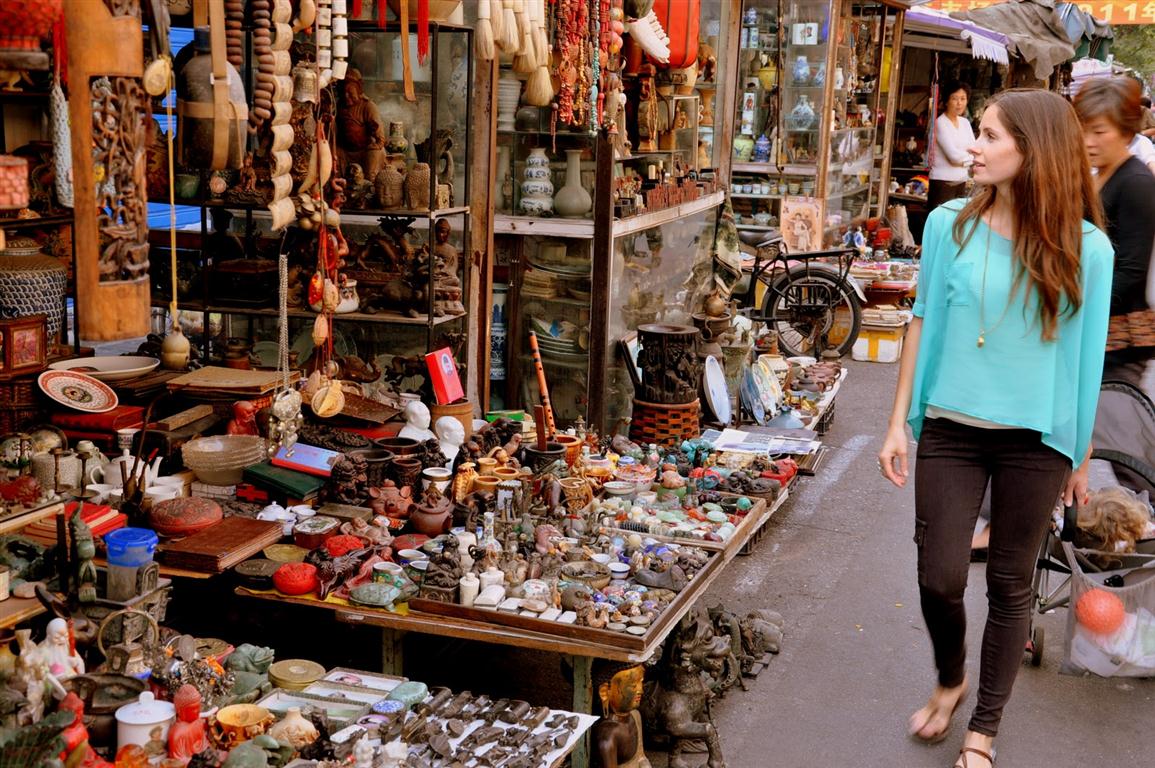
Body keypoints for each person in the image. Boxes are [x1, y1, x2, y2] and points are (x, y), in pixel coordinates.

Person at [878, 89, 1113, 768]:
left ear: (1032, 150)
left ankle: (983, 731)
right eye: (975, 132)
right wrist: (897, 423)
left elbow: (1086, 358)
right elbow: (920, 320)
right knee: (939, 576)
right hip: (951, 426)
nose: (972, 147)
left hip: (1036, 440)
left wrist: (1078, 452)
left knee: (1011, 584)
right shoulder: (947, 225)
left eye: (988, 136)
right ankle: (951, 677)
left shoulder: (1087, 248)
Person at [1074, 77, 1155, 390]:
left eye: (1099, 132)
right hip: (1095, 328)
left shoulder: (1136, 183)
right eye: (1083, 130)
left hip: (1118, 340)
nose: (1088, 141)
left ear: (1126, 131)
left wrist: (1076, 306)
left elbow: (1131, 269)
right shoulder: (1100, 175)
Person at [927, 81, 976, 210]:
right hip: (943, 182)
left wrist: (966, 158)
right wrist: (970, 159)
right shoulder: (940, 123)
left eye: (963, 99)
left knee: (957, 219)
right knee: (942, 220)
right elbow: (953, 157)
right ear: (946, 101)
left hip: (962, 181)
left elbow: (975, 149)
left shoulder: (965, 123)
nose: (959, 103)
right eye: (954, 98)